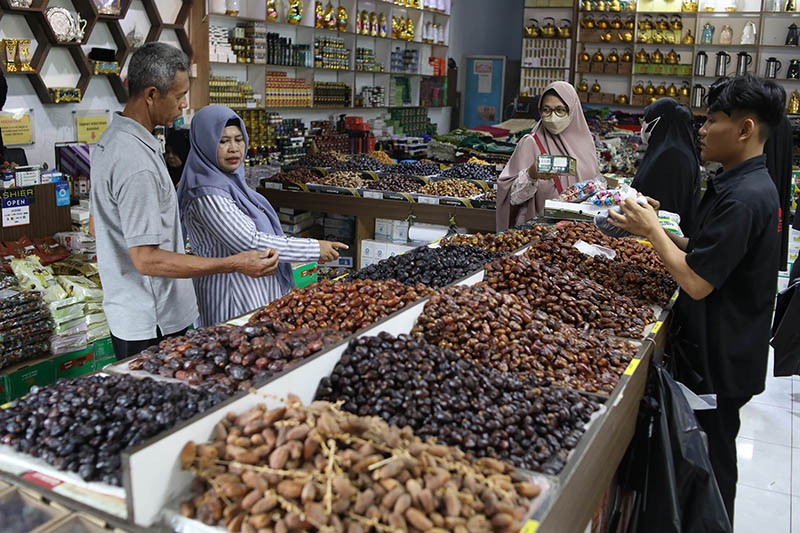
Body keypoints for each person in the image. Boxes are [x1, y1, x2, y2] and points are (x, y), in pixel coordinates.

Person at [609, 74, 785, 525]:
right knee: (704, 457)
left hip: (722, 357)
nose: (701, 130)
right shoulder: (738, 183)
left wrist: (653, 231)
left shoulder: (745, 197)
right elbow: (705, 251)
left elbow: (697, 281)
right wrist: (659, 229)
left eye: (712, 121)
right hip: (721, 347)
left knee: (712, 465)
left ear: (745, 129)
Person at [90, 43, 280, 360]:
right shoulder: (136, 163)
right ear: (152, 94)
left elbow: (97, 226)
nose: (184, 104)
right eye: (179, 96)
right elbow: (147, 260)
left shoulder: (112, 141)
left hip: (130, 312)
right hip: (154, 322)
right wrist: (234, 263)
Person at [177, 105, 348, 326]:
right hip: (233, 296)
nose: (234, 148)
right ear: (205, 144)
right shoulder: (206, 194)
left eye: (239, 139)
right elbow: (251, 241)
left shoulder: (231, 183)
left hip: (256, 291)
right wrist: (314, 249)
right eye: (223, 141)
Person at [496, 81, 600, 231]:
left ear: (573, 110)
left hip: (581, 230)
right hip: (540, 233)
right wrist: (531, 174)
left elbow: (595, 185)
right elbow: (511, 196)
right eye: (546, 110)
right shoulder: (530, 143)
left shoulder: (586, 143)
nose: (552, 117)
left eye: (560, 110)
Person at [630, 97, 701, 237]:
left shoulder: (673, 156)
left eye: (646, 120)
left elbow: (668, 211)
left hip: (661, 239)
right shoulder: (666, 150)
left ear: (658, 122)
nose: (643, 125)